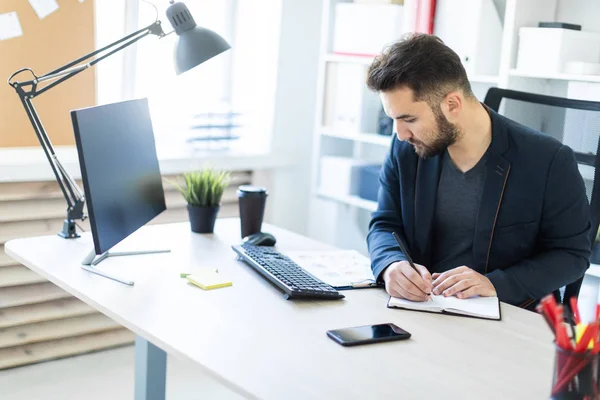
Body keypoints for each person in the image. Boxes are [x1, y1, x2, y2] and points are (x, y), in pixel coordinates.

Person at [366, 33, 591, 308]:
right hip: (424, 307)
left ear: (452, 104)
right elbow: (385, 224)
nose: (400, 134)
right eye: (394, 120)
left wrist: (495, 283)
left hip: (507, 313)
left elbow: (571, 255)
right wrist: (391, 264)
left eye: (409, 119)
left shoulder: (549, 161)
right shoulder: (406, 148)